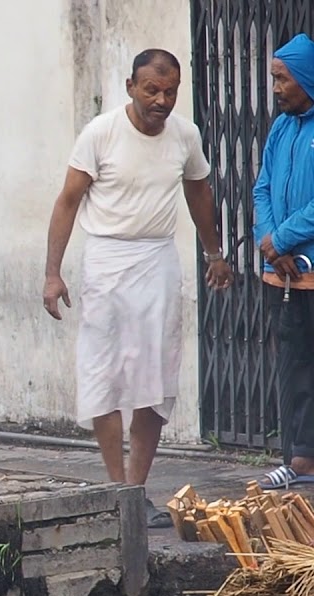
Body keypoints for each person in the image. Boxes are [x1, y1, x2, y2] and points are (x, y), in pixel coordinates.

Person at [42, 49, 232, 528]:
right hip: (106, 260)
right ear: (131, 86)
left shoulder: (185, 136)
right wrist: (52, 272)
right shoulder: (100, 133)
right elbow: (67, 202)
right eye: (152, 89)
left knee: (156, 379)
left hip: (157, 261)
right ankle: (115, 489)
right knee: (105, 375)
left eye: (170, 91)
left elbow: (199, 192)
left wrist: (215, 253)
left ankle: (136, 489)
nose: (161, 100)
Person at [254, 34, 314, 490]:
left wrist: (285, 237)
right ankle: (296, 459)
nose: (275, 87)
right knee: (291, 366)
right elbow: (261, 189)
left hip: (308, 265)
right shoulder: (280, 128)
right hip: (283, 274)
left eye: (281, 79)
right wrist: (268, 242)